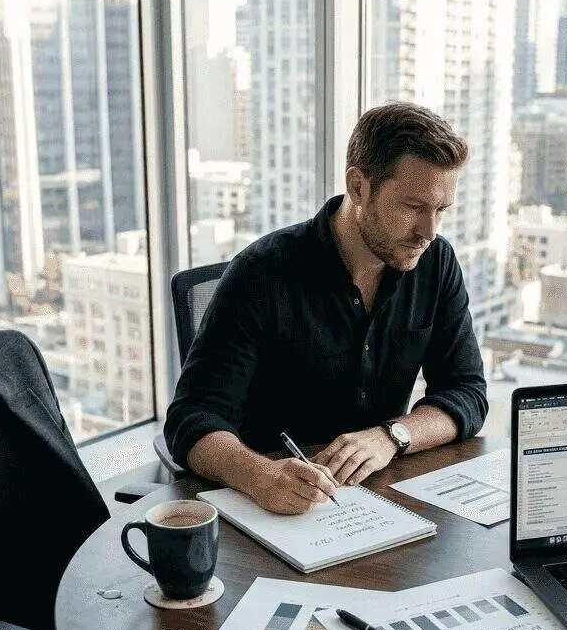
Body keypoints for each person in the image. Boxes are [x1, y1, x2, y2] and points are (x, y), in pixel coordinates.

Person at [164, 102, 488, 514]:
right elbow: (192, 418)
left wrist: (391, 436)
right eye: (413, 207)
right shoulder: (261, 273)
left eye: (441, 211)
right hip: (275, 507)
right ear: (358, 186)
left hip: (378, 500)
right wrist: (262, 476)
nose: (429, 232)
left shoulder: (436, 262)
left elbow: (467, 392)